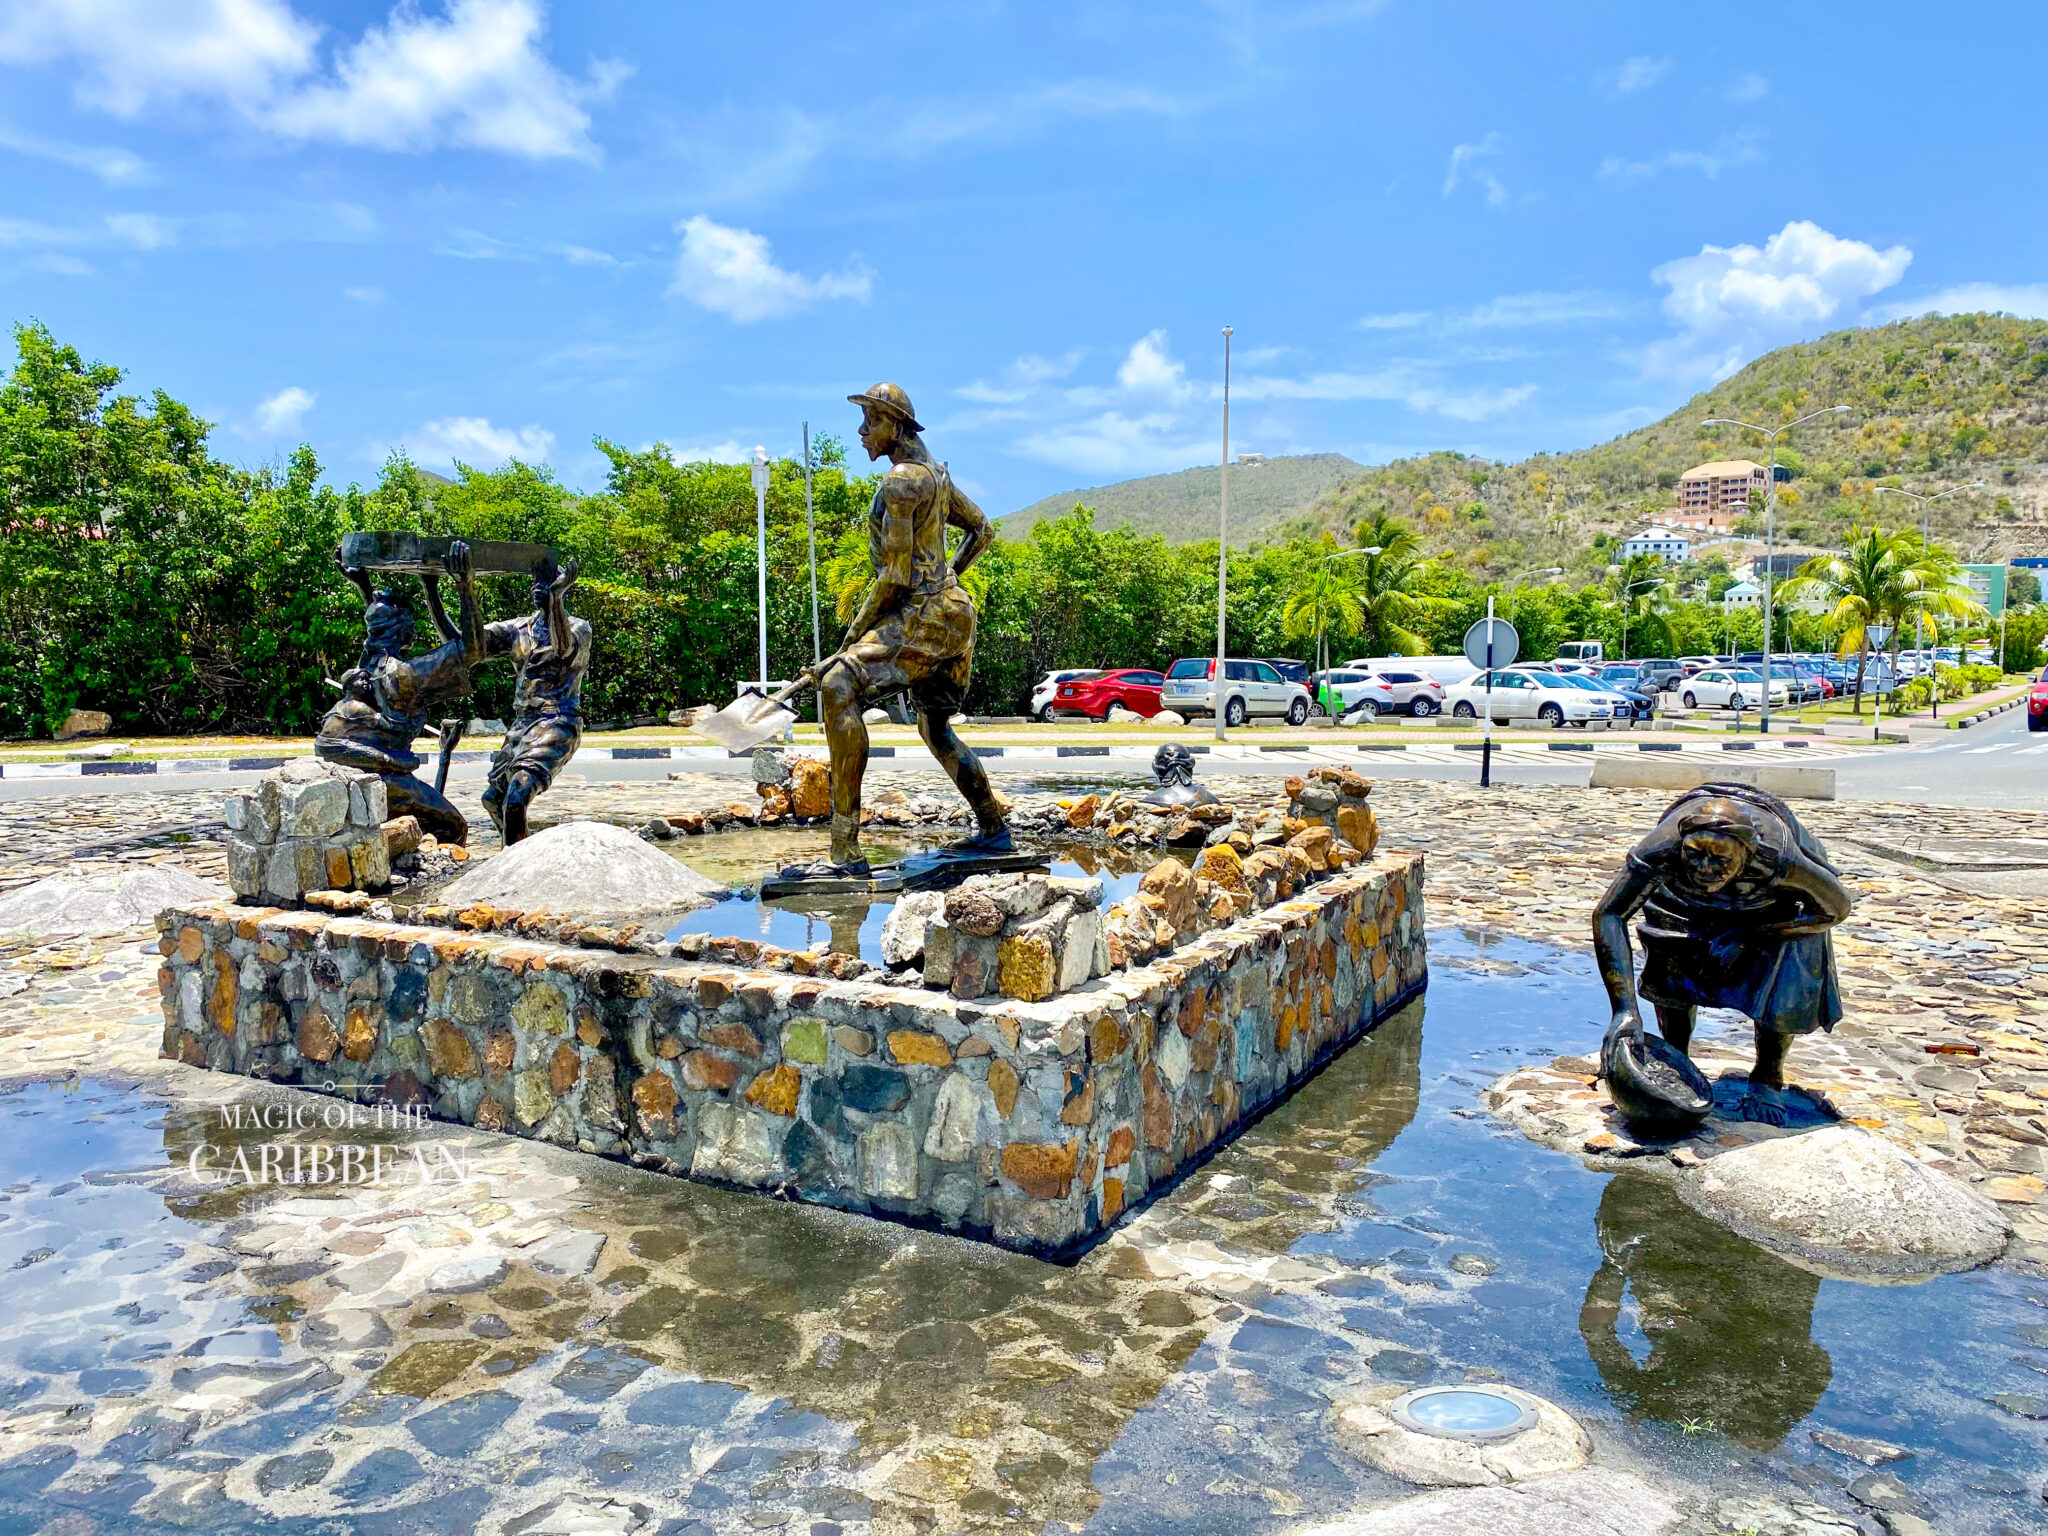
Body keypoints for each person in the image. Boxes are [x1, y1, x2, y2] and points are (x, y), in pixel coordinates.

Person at [804, 383, 1008, 875]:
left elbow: (894, 577)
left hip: (926, 617)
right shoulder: (935, 474)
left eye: (872, 420)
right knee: (933, 727)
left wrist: (848, 644)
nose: (862, 431)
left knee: (837, 685)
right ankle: (993, 828)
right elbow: (982, 529)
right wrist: (947, 578)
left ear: (897, 425)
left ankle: (845, 852)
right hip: (954, 612)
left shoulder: (901, 481)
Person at [1593, 783, 1851, 1126]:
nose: (1704, 867)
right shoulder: (1662, 849)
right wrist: (1624, 1010)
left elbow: (1835, 910)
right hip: (1682, 899)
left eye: (1719, 859)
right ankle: (1675, 1057)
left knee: (1787, 962)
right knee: (1670, 955)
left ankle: (1768, 1075)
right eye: (1695, 854)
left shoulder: (1781, 860)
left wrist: (1748, 935)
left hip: (1771, 907)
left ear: (1747, 854)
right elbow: (1609, 913)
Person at [316, 542, 481, 844]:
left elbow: (378, 628)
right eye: (412, 625)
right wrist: (464, 586)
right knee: (454, 827)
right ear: (405, 632)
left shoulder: (370, 660)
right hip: (387, 775)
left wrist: (363, 584)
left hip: (357, 765)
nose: (415, 631)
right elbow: (472, 648)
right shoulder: (407, 674)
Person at [480, 556, 591, 845]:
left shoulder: (579, 628)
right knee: (493, 799)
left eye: (548, 583)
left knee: (516, 800)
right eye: (537, 582)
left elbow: (563, 649)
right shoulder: (518, 629)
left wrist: (556, 599)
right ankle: (517, 852)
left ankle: (517, 866)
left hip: (557, 720)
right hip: (522, 725)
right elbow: (468, 645)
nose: (539, 587)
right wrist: (459, 587)